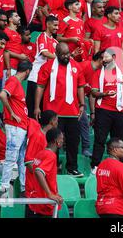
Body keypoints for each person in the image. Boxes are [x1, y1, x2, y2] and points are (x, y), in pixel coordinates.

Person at [35, 42, 86, 177]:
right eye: (63, 54)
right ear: (56, 54)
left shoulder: (76, 66)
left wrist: (82, 104)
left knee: (73, 141)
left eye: (68, 53)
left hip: (72, 111)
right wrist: (36, 107)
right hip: (53, 111)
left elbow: (80, 86)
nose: (66, 56)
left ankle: (72, 168)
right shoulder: (47, 66)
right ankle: (52, 167)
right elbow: (40, 86)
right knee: (52, 141)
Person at [90, 48, 123, 171]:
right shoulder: (98, 73)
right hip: (103, 110)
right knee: (100, 139)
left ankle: (118, 166)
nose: (103, 60)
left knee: (119, 141)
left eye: (106, 57)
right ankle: (95, 167)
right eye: (102, 58)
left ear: (114, 58)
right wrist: (105, 94)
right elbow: (93, 93)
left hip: (119, 112)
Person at [0, 60, 32, 198]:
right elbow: (2, 95)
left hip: (21, 127)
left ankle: (23, 188)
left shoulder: (17, 83)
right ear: (27, 71)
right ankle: (4, 188)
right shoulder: (13, 80)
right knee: (11, 157)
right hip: (15, 127)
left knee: (22, 158)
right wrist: (11, 113)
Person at [27, 127, 64, 218]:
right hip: (45, 205)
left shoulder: (40, 153)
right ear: (57, 141)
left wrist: (54, 192)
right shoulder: (51, 156)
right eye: (61, 138)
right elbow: (39, 172)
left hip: (37, 203)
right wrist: (50, 194)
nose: (63, 141)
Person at [26, 16, 58, 117]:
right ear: (48, 24)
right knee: (32, 108)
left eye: (58, 25)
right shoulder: (41, 37)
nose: (57, 28)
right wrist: (59, 58)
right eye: (55, 25)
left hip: (46, 78)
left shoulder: (55, 42)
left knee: (42, 107)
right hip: (35, 77)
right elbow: (44, 53)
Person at [25, 110, 59, 199]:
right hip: (34, 187)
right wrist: (40, 176)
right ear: (51, 121)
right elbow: (29, 162)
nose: (57, 123)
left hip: (42, 186)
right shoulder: (37, 136)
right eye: (56, 121)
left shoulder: (47, 137)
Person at [3, 10, 25, 79]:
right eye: (16, 16)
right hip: (8, 67)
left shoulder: (17, 33)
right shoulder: (6, 31)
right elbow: (5, 50)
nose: (19, 18)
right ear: (10, 19)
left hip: (16, 67)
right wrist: (20, 56)